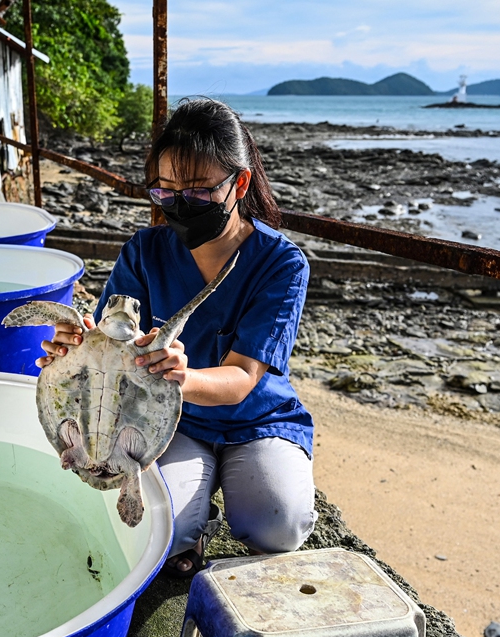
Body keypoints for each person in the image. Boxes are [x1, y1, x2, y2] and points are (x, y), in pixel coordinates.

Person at [38, 97, 317, 577]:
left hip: (256, 420)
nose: (177, 204)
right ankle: (195, 520)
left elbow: (243, 377)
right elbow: (109, 344)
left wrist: (181, 376)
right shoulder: (144, 252)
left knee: (278, 524)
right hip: (170, 422)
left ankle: (233, 488)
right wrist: (72, 348)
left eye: (197, 191)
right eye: (164, 191)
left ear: (240, 183)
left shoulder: (281, 264)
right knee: (156, 539)